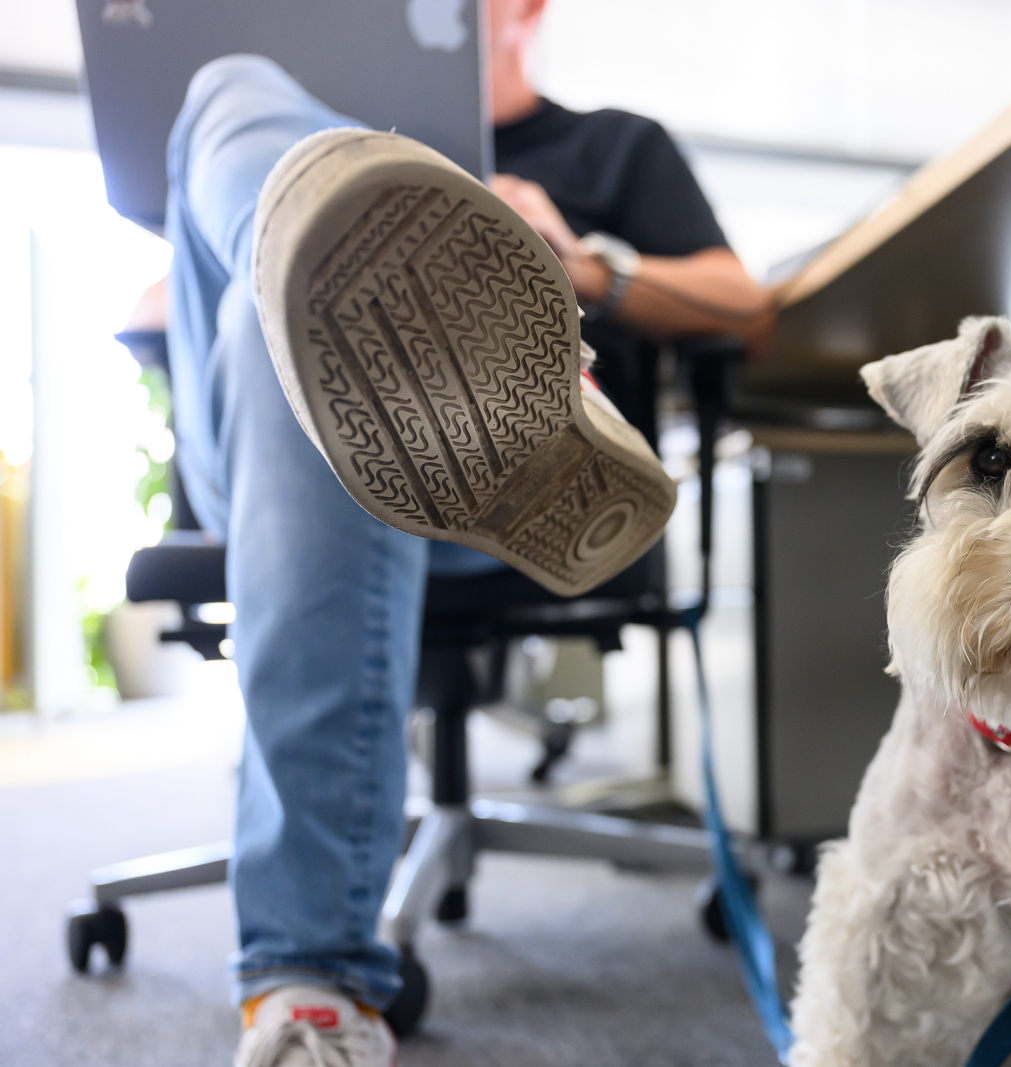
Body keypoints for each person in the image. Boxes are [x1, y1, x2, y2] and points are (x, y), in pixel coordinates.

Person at [159, 1, 767, 1062]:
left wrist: (573, 264)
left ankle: (472, 367)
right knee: (237, 124)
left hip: (490, 514)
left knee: (306, 320)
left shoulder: (610, 144)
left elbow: (741, 302)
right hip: (264, 463)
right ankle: (315, 251)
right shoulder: (276, 108)